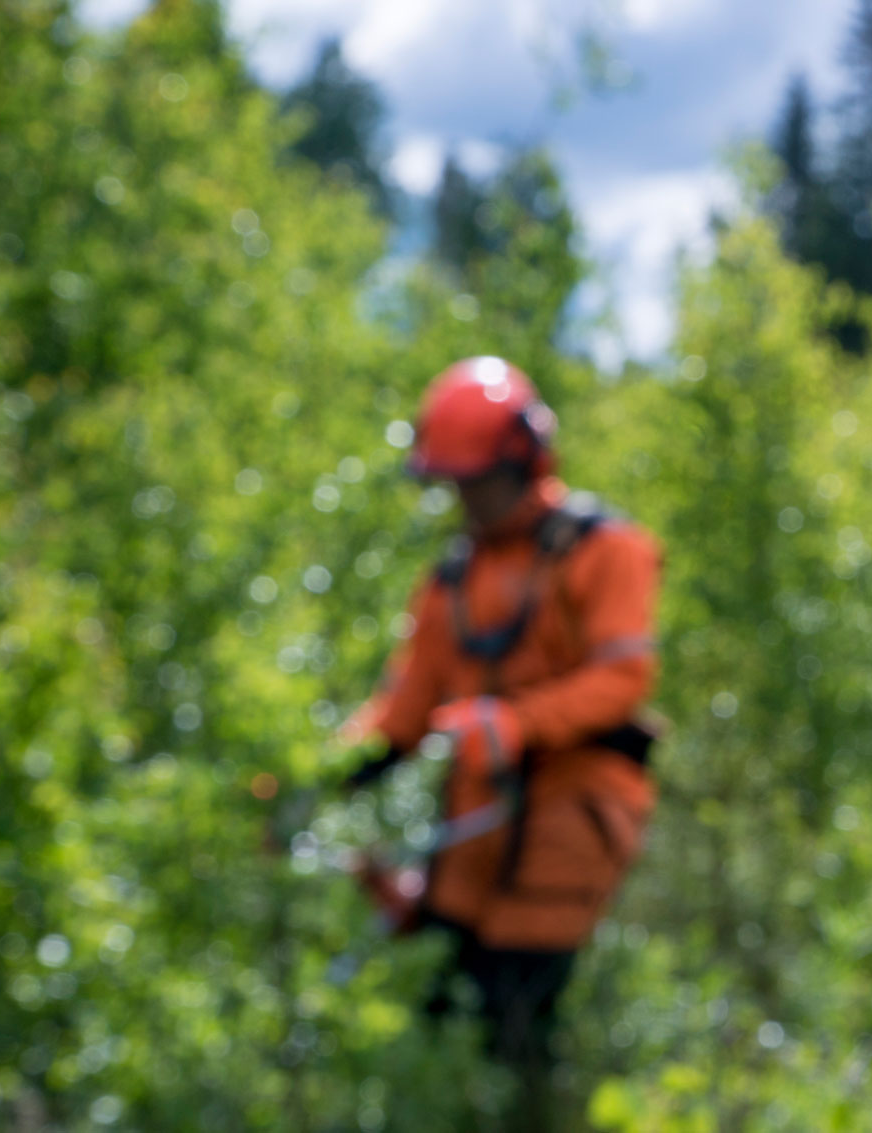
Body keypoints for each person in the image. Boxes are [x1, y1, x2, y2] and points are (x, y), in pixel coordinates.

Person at [338, 356, 660, 1125]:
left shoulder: (605, 550)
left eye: (473, 480)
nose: (462, 500)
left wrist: (513, 724)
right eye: (450, 483)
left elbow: (625, 678)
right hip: (472, 835)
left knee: (515, 1032)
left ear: (522, 461)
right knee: (439, 1013)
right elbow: (402, 716)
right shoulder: (449, 580)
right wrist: (309, 769)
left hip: (565, 827)